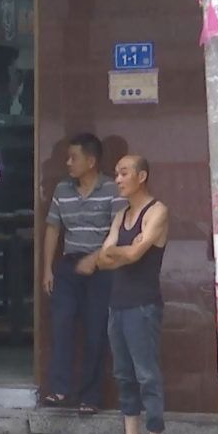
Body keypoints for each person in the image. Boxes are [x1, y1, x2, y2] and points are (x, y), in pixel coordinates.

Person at [41, 134, 125, 414]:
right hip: (68, 266)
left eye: (73, 157)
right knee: (61, 324)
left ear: (91, 161)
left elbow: (119, 231)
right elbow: (53, 228)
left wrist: (97, 258)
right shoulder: (63, 189)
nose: (68, 163)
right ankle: (61, 389)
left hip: (103, 268)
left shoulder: (112, 189)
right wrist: (47, 270)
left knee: (95, 331)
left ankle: (91, 396)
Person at [95, 155, 169, 434]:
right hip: (118, 303)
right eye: (116, 173)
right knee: (124, 374)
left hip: (143, 305)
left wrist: (125, 251)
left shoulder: (158, 211)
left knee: (147, 374)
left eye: (123, 173)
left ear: (142, 176)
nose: (118, 179)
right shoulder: (121, 214)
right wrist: (124, 251)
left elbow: (137, 253)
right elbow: (105, 256)